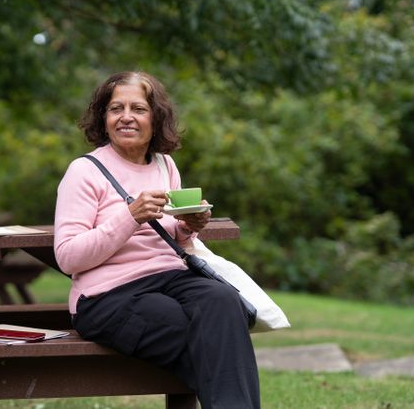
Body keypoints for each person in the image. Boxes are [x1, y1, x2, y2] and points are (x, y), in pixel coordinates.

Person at [54, 71, 260, 409]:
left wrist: (189, 224)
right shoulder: (84, 171)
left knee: (223, 302)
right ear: (103, 119)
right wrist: (130, 216)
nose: (126, 117)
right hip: (107, 296)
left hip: (169, 276)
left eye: (138, 108)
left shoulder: (165, 165)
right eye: (115, 108)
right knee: (208, 338)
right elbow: (68, 257)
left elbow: (169, 236)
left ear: (156, 117)